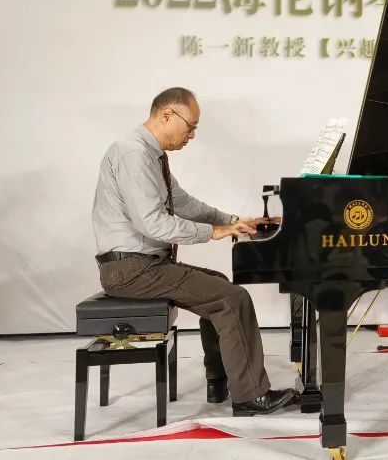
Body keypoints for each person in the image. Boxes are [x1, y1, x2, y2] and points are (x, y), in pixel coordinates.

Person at [91, 87, 295, 416]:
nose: (193, 135)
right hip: (131, 269)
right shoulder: (132, 154)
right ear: (166, 115)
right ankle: (251, 396)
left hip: (140, 266)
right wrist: (213, 232)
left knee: (219, 285)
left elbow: (183, 203)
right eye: (191, 126)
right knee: (233, 298)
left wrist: (233, 221)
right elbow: (153, 224)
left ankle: (219, 380)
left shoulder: (150, 154)